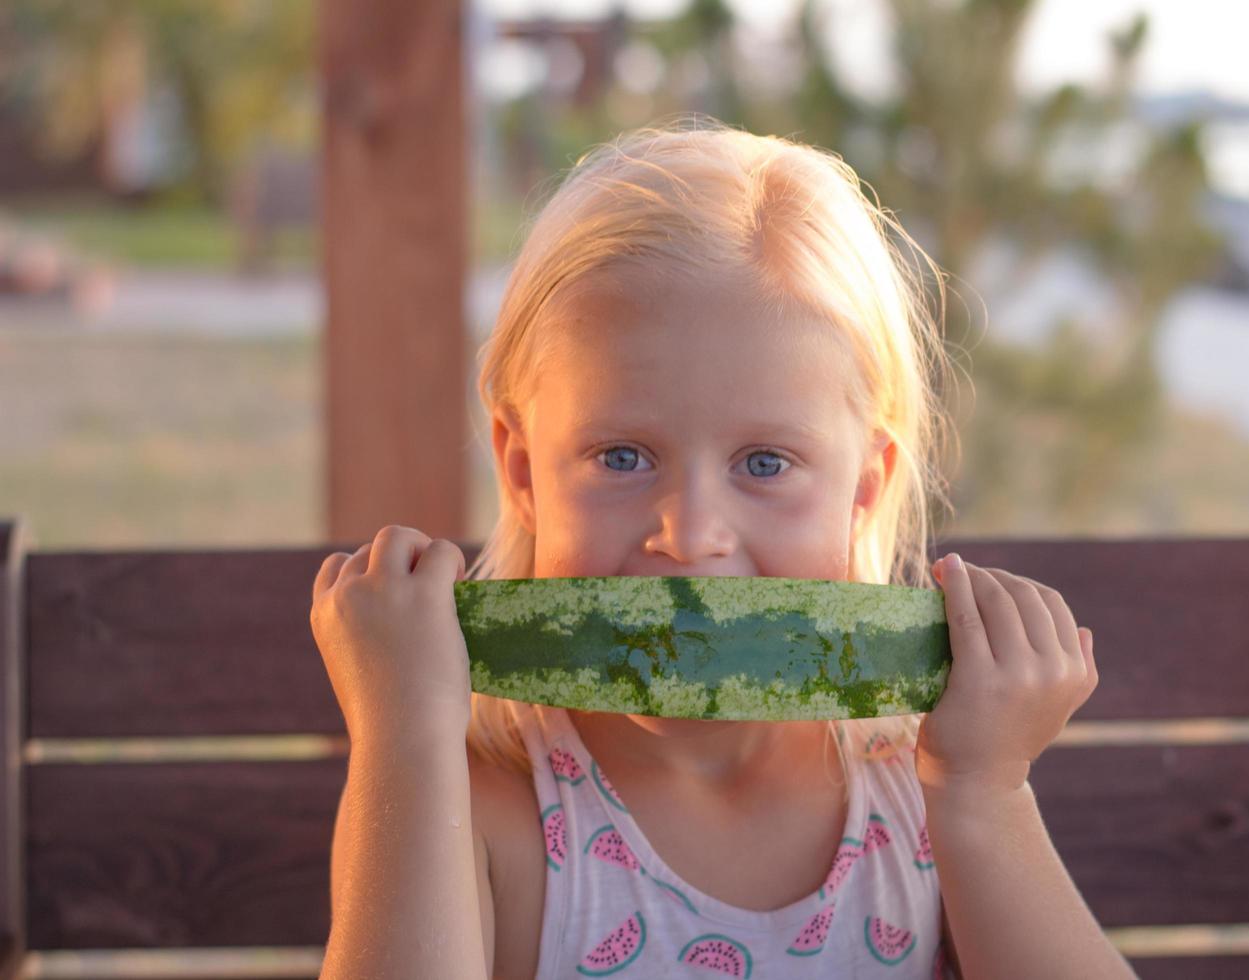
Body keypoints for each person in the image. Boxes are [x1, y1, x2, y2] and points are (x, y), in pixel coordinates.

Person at [309, 116, 1137, 979]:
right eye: (621, 456)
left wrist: (985, 793)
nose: (691, 535)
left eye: (766, 462)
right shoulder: (479, 808)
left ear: (863, 488)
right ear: (522, 470)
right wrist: (405, 736)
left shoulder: (929, 790)